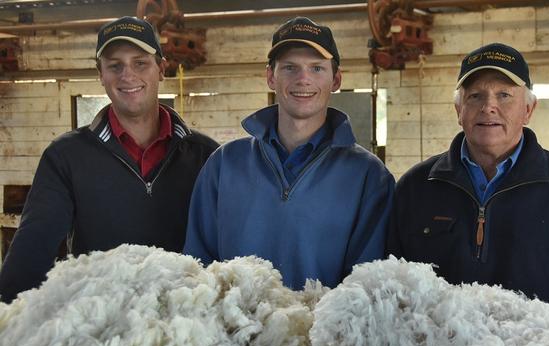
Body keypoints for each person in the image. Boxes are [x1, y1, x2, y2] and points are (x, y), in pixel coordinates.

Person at [387, 43, 549, 318]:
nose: (489, 107)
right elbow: (390, 288)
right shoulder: (416, 187)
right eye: (475, 96)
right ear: (458, 110)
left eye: (504, 95)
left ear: (528, 110)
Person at [0, 16, 218, 303]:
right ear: (100, 74)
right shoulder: (66, 156)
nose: (127, 75)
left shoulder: (205, 155)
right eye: (115, 65)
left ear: (161, 69)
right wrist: (9, 319)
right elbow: (34, 247)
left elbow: (227, 243)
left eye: (140, 62)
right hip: (102, 321)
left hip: (184, 319)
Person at [183, 16, 394, 290]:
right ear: (271, 77)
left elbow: (367, 284)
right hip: (235, 330)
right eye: (290, 68)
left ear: (336, 79)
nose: (303, 79)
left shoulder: (369, 176)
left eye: (317, 68)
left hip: (324, 331)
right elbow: (197, 267)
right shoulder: (224, 165)